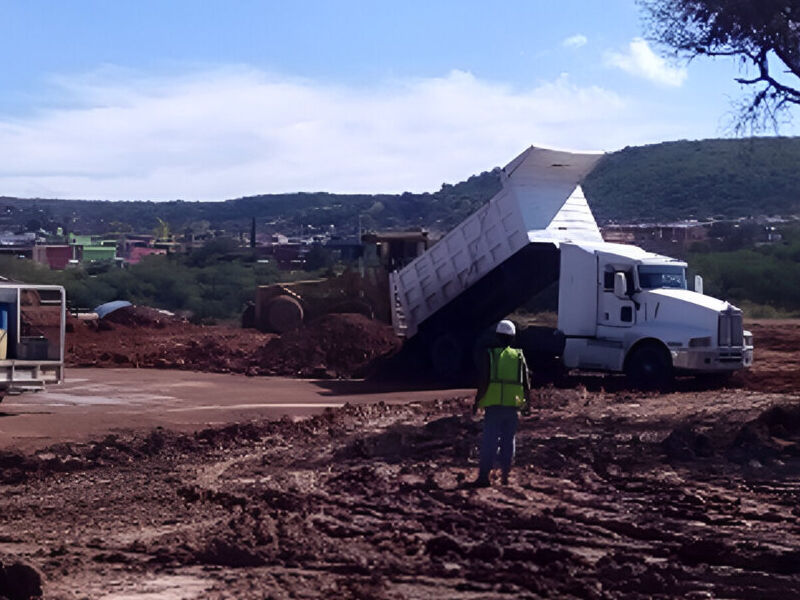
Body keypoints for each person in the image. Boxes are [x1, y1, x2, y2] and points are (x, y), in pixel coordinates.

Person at [471, 319, 531, 487]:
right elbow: (526, 383)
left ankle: (484, 476)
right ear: (513, 338)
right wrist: (528, 405)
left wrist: (477, 401)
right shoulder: (519, 356)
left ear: (497, 337)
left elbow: (484, 380)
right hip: (512, 406)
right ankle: (505, 476)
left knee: (490, 441)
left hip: (494, 405)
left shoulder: (490, 355)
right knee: (508, 441)